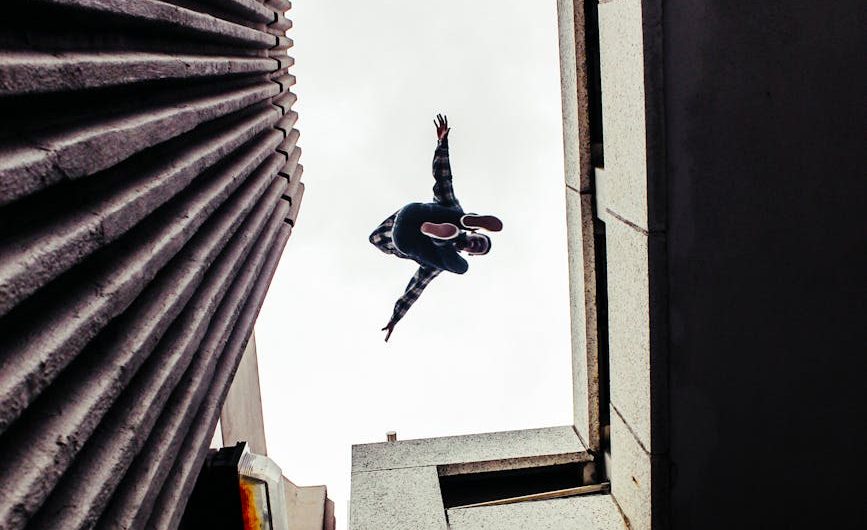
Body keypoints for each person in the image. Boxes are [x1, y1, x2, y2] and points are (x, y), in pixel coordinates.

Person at [369, 114, 502, 341]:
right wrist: (442, 145)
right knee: (454, 217)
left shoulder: (442, 264)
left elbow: (415, 289)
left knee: (459, 268)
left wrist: (395, 318)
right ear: (475, 233)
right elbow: (443, 180)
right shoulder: (453, 209)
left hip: (411, 240)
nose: (476, 244)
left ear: (471, 252)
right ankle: (453, 227)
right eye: (479, 240)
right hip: (413, 219)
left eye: (477, 247)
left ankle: (443, 235)